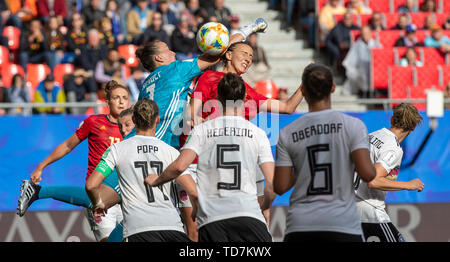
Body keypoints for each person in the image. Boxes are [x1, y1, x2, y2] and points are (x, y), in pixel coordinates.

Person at [147, 73, 274, 242]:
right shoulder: (257, 133)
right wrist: (264, 207)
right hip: (249, 215)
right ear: (245, 97)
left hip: (213, 219)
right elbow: (272, 183)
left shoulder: (202, 130)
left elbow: (179, 166)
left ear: (218, 96)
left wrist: (157, 181)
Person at [273, 63, 376, 242]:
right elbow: (368, 174)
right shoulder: (353, 125)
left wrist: (301, 171)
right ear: (333, 87)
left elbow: (280, 187)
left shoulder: (287, 132)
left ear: (303, 91)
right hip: (342, 224)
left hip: (300, 225)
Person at [18, 80, 131, 242]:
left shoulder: (134, 128)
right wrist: (41, 166)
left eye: (125, 97)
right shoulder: (94, 122)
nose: (121, 101)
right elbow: (68, 145)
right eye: (116, 97)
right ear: (107, 102)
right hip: (98, 194)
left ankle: (39, 192)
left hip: (126, 195)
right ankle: (38, 191)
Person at [86, 98, 197, 242]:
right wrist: (195, 208)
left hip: (137, 230)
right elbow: (193, 191)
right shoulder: (171, 152)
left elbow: (91, 185)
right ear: (157, 120)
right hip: (172, 228)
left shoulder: (116, 150)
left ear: (134, 119)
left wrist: (97, 203)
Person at [354, 103, 424, 242]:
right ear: (413, 127)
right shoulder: (393, 148)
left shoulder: (371, 135)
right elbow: (373, 180)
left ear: (392, 119)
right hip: (370, 209)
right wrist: (408, 185)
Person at [342, 25, 382, 97]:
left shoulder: (377, 45)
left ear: (370, 33)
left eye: (367, 33)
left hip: (375, 71)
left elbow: (381, 60)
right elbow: (349, 61)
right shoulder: (356, 45)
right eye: (363, 33)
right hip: (360, 71)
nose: (365, 35)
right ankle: (364, 92)